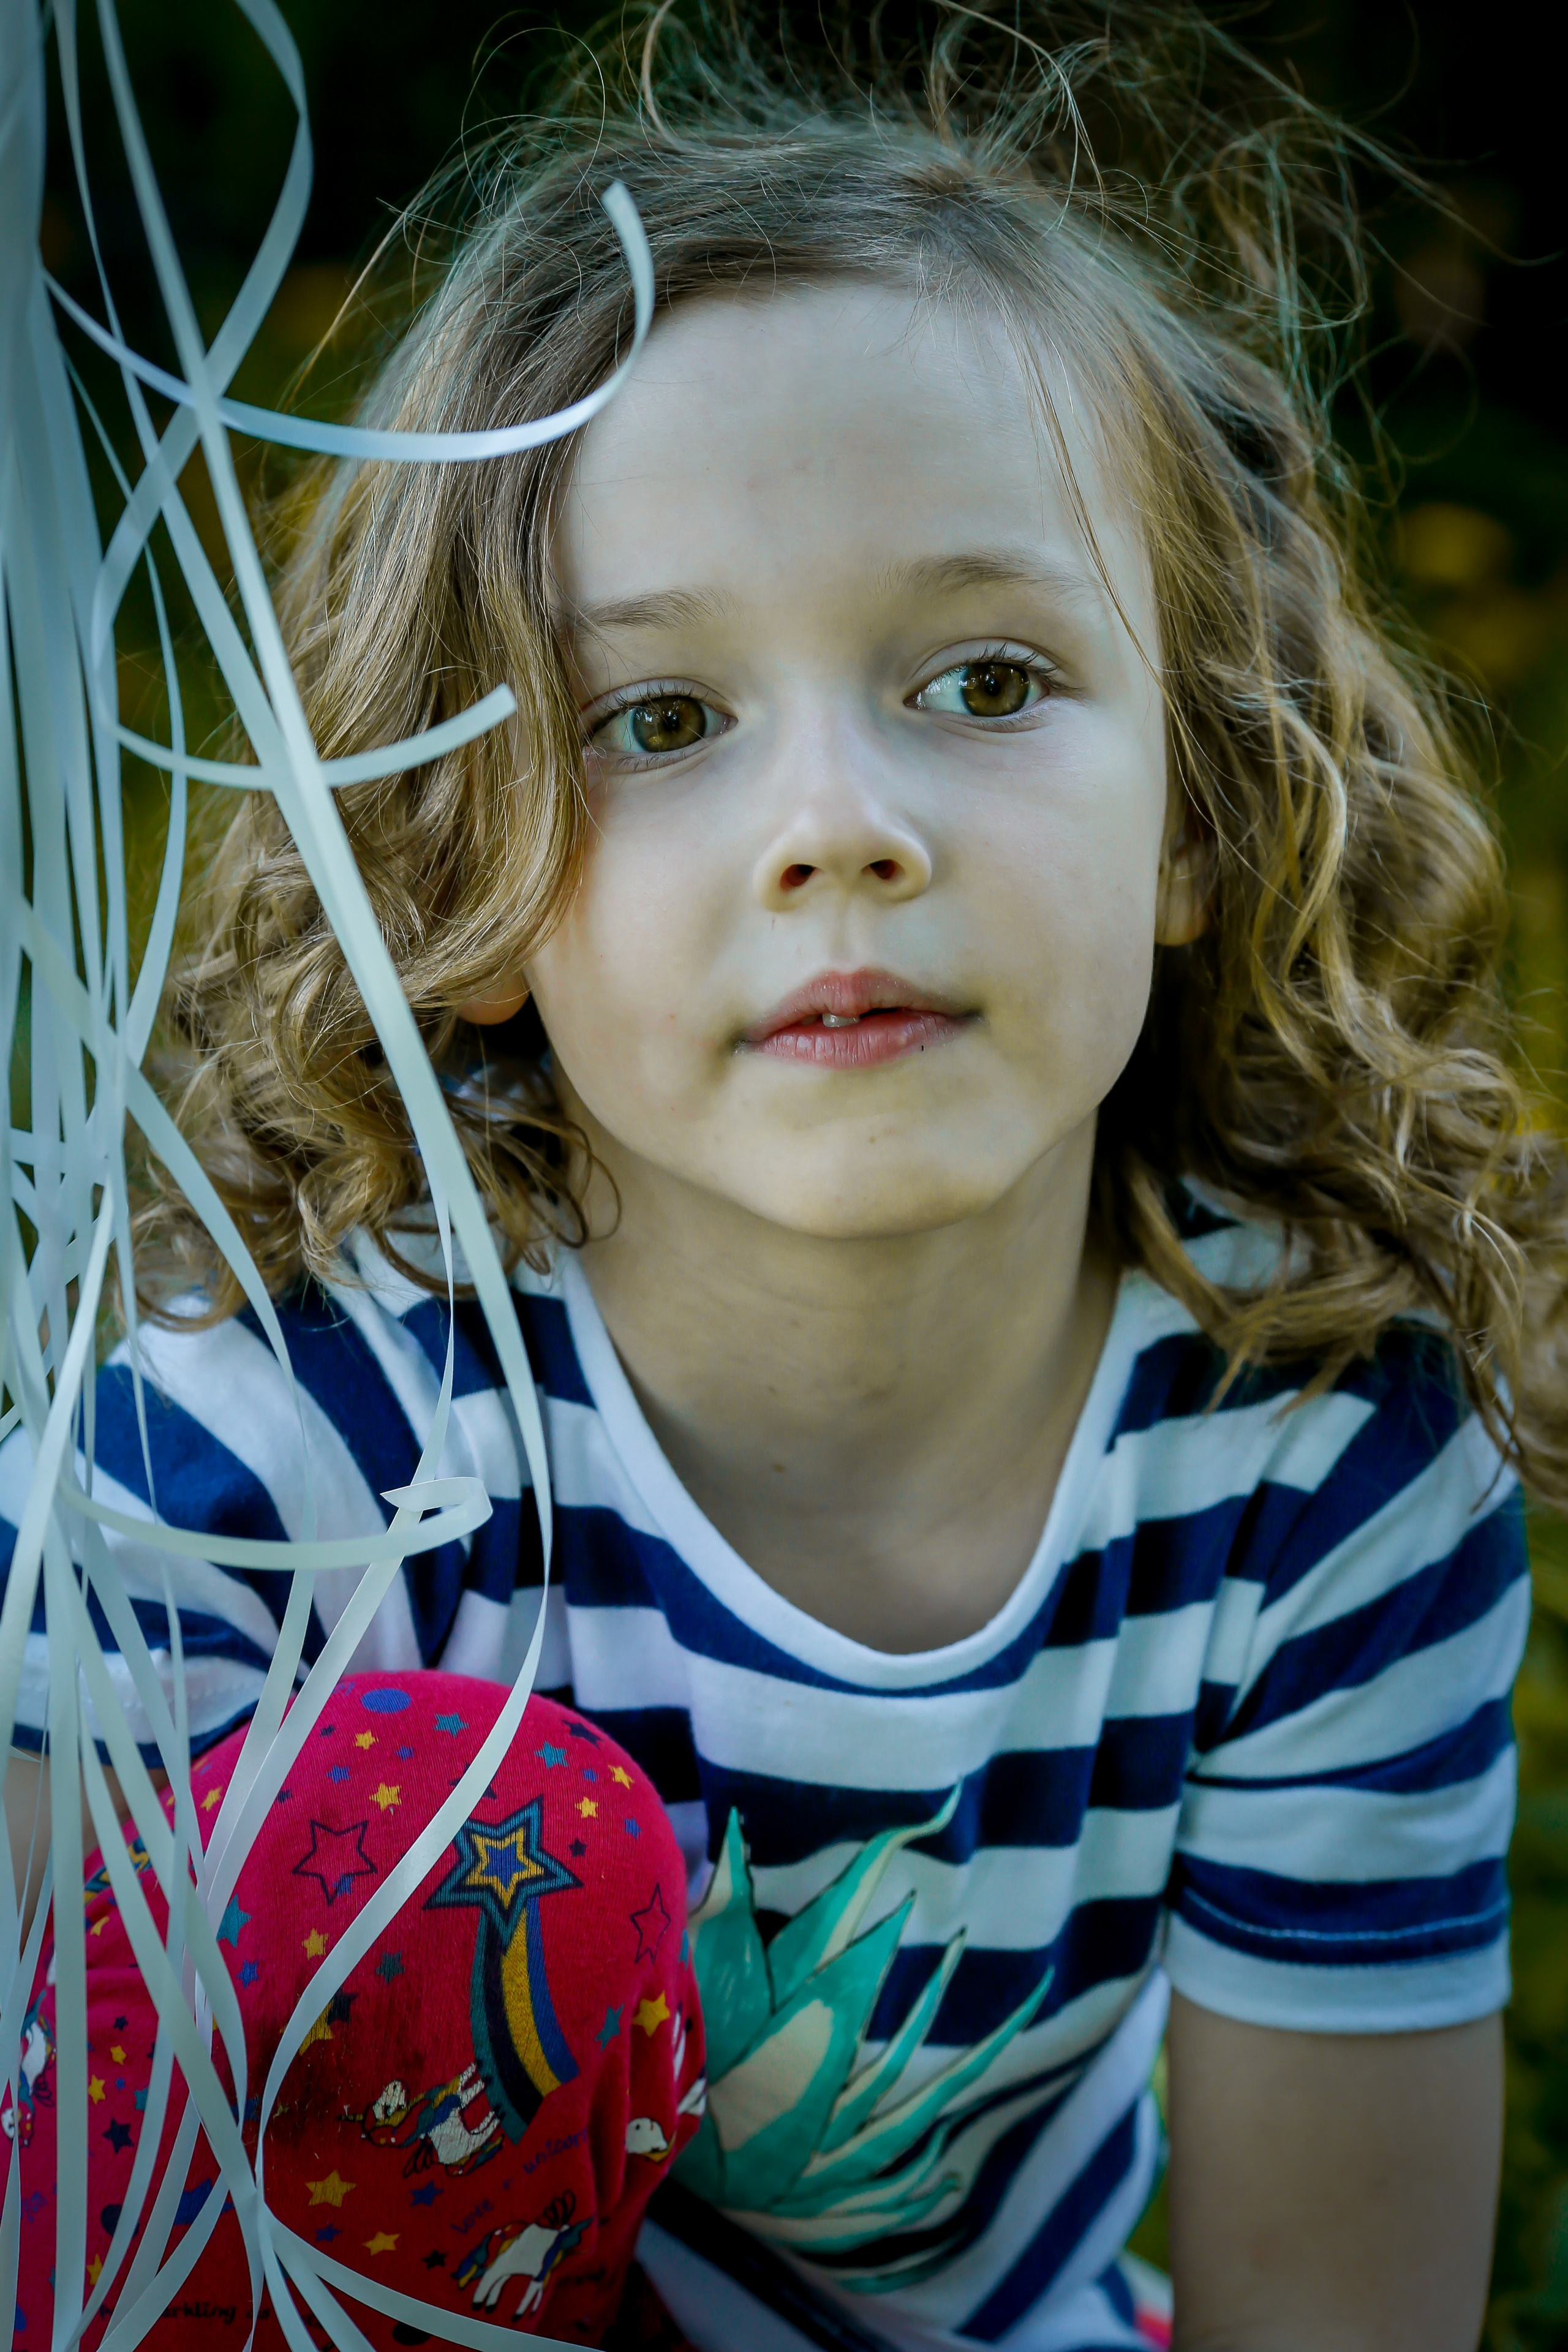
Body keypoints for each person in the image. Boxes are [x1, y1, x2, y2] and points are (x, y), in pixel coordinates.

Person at [4, 4, 1564, 2345]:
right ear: (466, 874)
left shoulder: (1320, 1458)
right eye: (656, 721)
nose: (841, 823)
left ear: (1206, 805)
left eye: (988, 679)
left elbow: (1332, 2306)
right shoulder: (257, 1456)